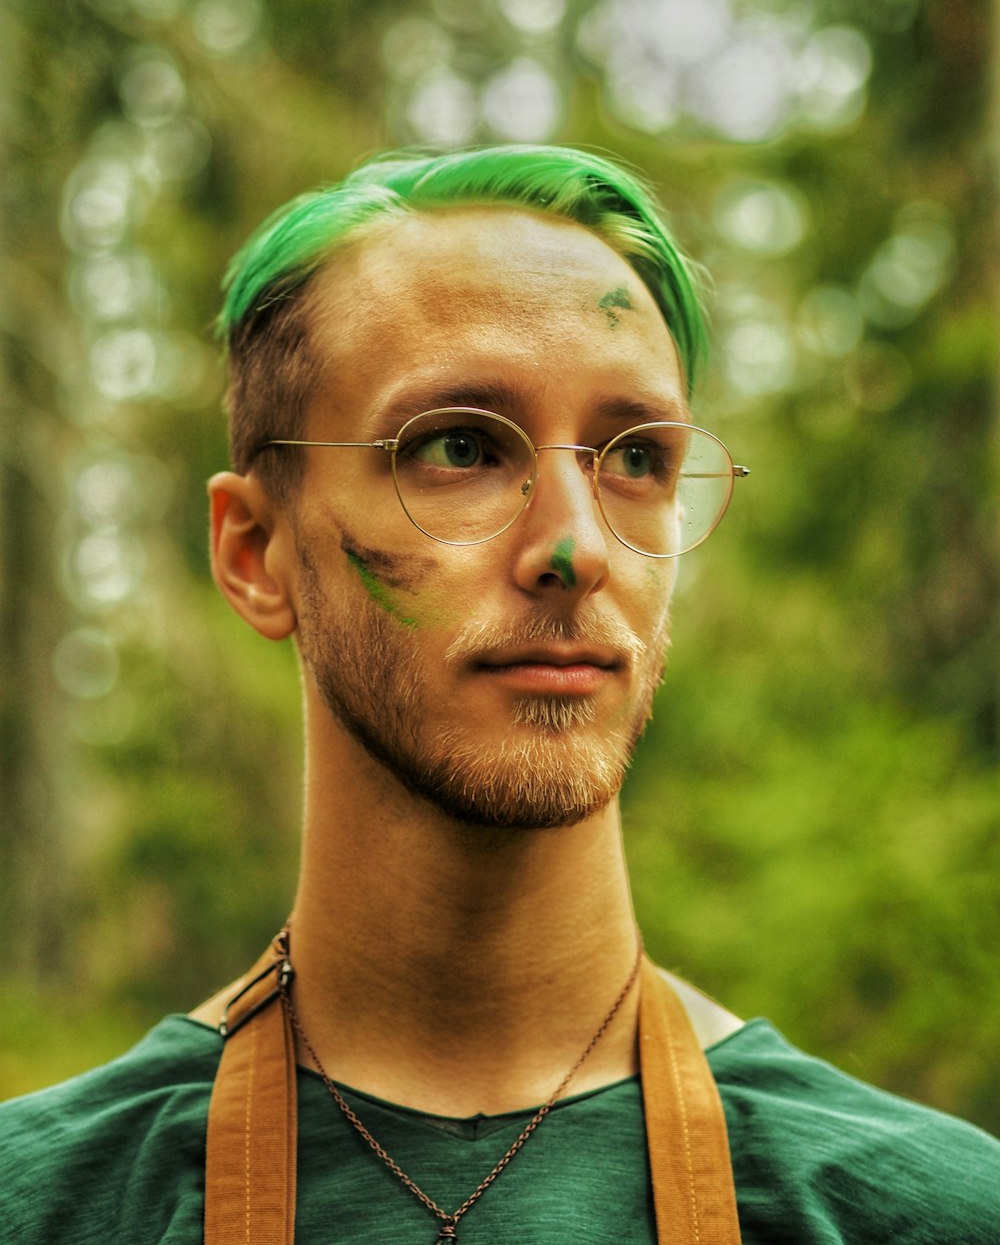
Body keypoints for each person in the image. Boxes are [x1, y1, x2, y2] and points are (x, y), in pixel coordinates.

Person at [1, 144, 998, 1244]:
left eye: (635, 457)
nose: (574, 546)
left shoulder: (927, 1213)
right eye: (460, 446)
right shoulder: (50, 1204)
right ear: (253, 550)